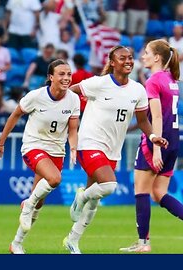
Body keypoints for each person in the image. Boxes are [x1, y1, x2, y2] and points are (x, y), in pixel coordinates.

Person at [62, 45, 168, 254]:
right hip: (89, 142)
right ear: (112, 62)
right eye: (122, 58)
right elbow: (68, 94)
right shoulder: (98, 83)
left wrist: (154, 136)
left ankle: (72, 240)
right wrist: (69, 119)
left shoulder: (138, 89)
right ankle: (80, 196)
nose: (128, 61)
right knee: (109, 185)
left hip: (112, 149)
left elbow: (142, 121)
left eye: (130, 58)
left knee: (95, 200)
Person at [0, 59, 80, 254]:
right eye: (61, 74)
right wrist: (0, 143)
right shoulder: (36, 96)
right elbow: (14, 115)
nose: (66, 78)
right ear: (50, 77)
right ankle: (27, 204)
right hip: (33, 147)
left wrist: (73, 147)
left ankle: (17, 243)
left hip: (57, 152)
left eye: (69, 74)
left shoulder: (73, 99)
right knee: (54, 179)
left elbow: (73, 129)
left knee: (39, 202)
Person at [120, 39, 183, 253]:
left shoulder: (154, 80)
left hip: (158, 141)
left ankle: (143, 243)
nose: (142, 55)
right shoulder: (171, 78)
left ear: (157, 57)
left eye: (146, 52)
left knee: (142, 190)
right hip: (173, 141)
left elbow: (156, 116)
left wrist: (155, 146)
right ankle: (143, 242)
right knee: (159, 193)